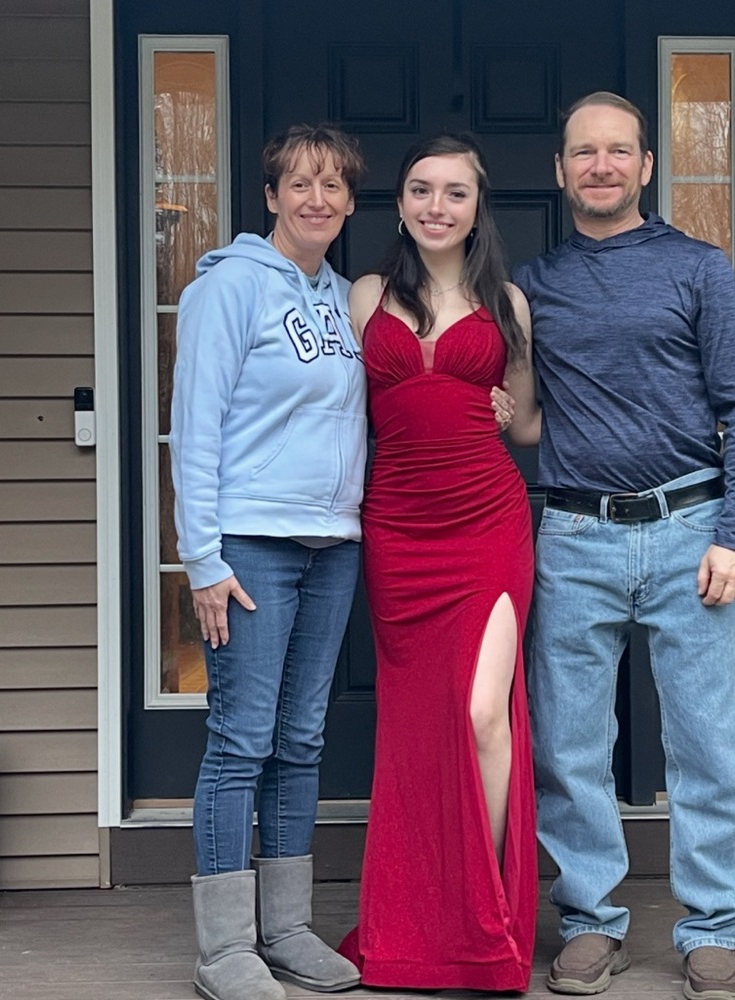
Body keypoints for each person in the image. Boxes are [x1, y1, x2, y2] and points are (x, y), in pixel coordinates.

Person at [507, 92, 735, 1000]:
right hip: (575, 536)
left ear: (646, 166)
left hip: (692, 530)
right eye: (584, 152)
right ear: (560, 170)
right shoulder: (533, 286)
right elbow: (524, 412)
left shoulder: (700, 269)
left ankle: (713, 926)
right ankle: (590, 919)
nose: (602, 166)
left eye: (619, 151)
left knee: (708, 745)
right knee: (569, 746)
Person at [170, 124, 369, 1000]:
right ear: (271, 196)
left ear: (350, 202)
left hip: (332, 547)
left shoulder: (343, 300)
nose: (316, 199)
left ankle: (285, 928)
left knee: (300, 739)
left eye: (332, 186)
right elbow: (195, 427)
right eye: (299, 183)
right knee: (241, 739)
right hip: (250, 545)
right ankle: (225, 947)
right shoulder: (230, 288)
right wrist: (201, 559)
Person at [337, 134, 540, 991]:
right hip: (398, 530)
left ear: (477, 206)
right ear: (400, 203)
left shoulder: (508, 304)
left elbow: (525, 426)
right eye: (421, 190)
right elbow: (332, 410)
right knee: (417, 730)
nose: (436, 206)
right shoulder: (366, 295)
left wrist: (497, 406)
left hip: (487, 524)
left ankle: (476, 914)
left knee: (484, 713)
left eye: (455, 192)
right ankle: (421, 921)